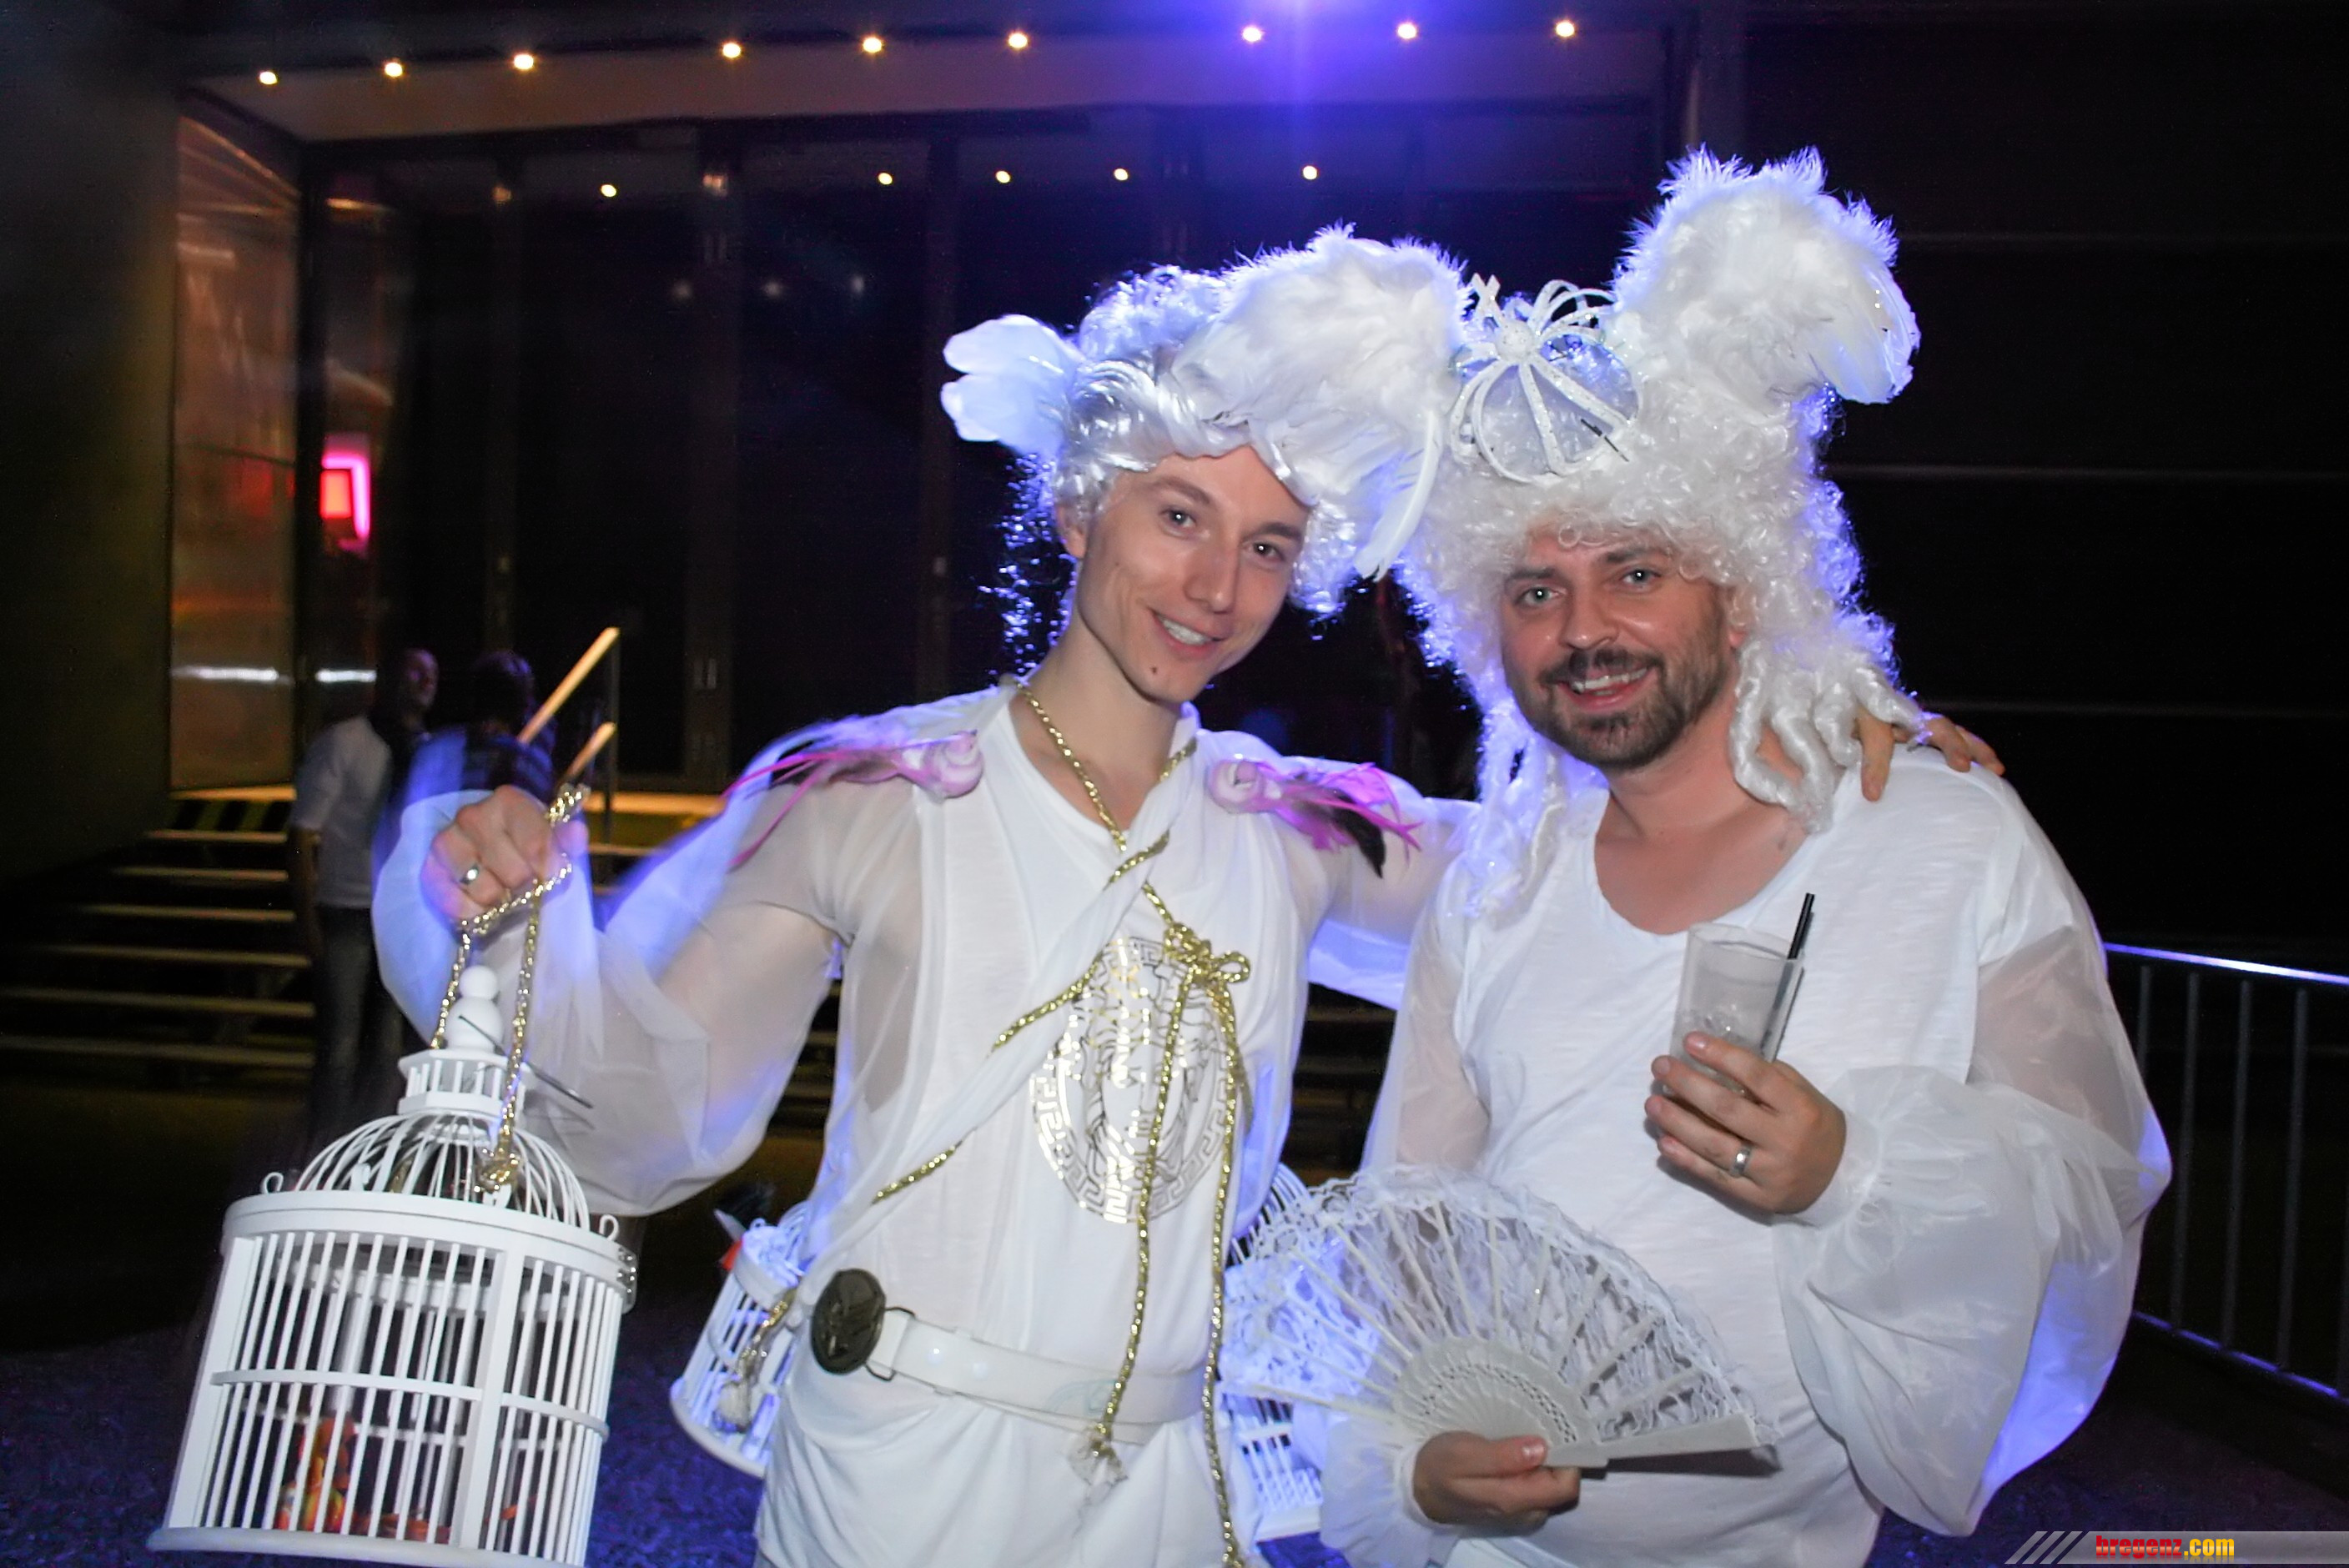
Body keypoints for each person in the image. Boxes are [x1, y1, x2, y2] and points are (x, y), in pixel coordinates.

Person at [373, 233, 1980, 1567]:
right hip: (895, 1479)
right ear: (1082, 507)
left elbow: (1588, 859)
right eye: (1178, 517)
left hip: (1166, 1494)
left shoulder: (1297, 827)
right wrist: (493, 897)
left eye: (1269, 547)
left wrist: (1800, 713)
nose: (1216, 588)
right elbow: (644, 1098)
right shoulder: (867, 790)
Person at [1319, 153, 2169, 1568]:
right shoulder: (1502, 881)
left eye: (1636, 571)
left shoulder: (1940, 835)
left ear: (1740, 585)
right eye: (1534, 589)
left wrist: (1854, 1173)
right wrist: (1417, 1461)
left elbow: (2091, 1194)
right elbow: (1415, 1225)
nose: (1583, 629)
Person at [288, 644, 436, 1148]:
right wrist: (308, 919)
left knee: (390, 1051)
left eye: (431, 674)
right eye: (415, 672)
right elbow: (302, 833)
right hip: (347, 911)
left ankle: (369, 1153)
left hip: (401, 919)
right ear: (388, 678)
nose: (425, 682)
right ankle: (323, 1150)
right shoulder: (345, 742)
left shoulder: (427, 751)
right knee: (340, 1046)